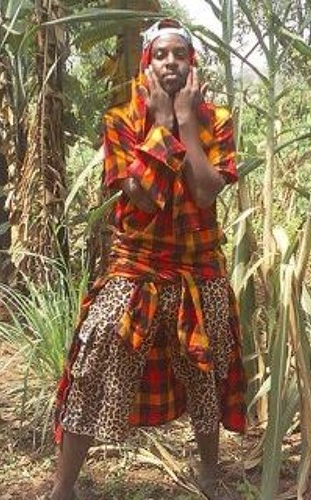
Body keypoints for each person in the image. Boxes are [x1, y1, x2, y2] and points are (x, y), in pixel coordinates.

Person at [51, 18, 246, 500]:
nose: (170, 62)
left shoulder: (217, 120)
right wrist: (161, 126)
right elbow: (142, 198)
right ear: (147, 63)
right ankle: (63, 488)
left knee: (205, 374)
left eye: (180, 54)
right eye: (161, 54)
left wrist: (186, 124)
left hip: (199, 268)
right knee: (94, 366)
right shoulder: (121, 121)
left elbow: (205, 191)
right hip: (136, 266)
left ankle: (209, 474)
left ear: (192, 64)